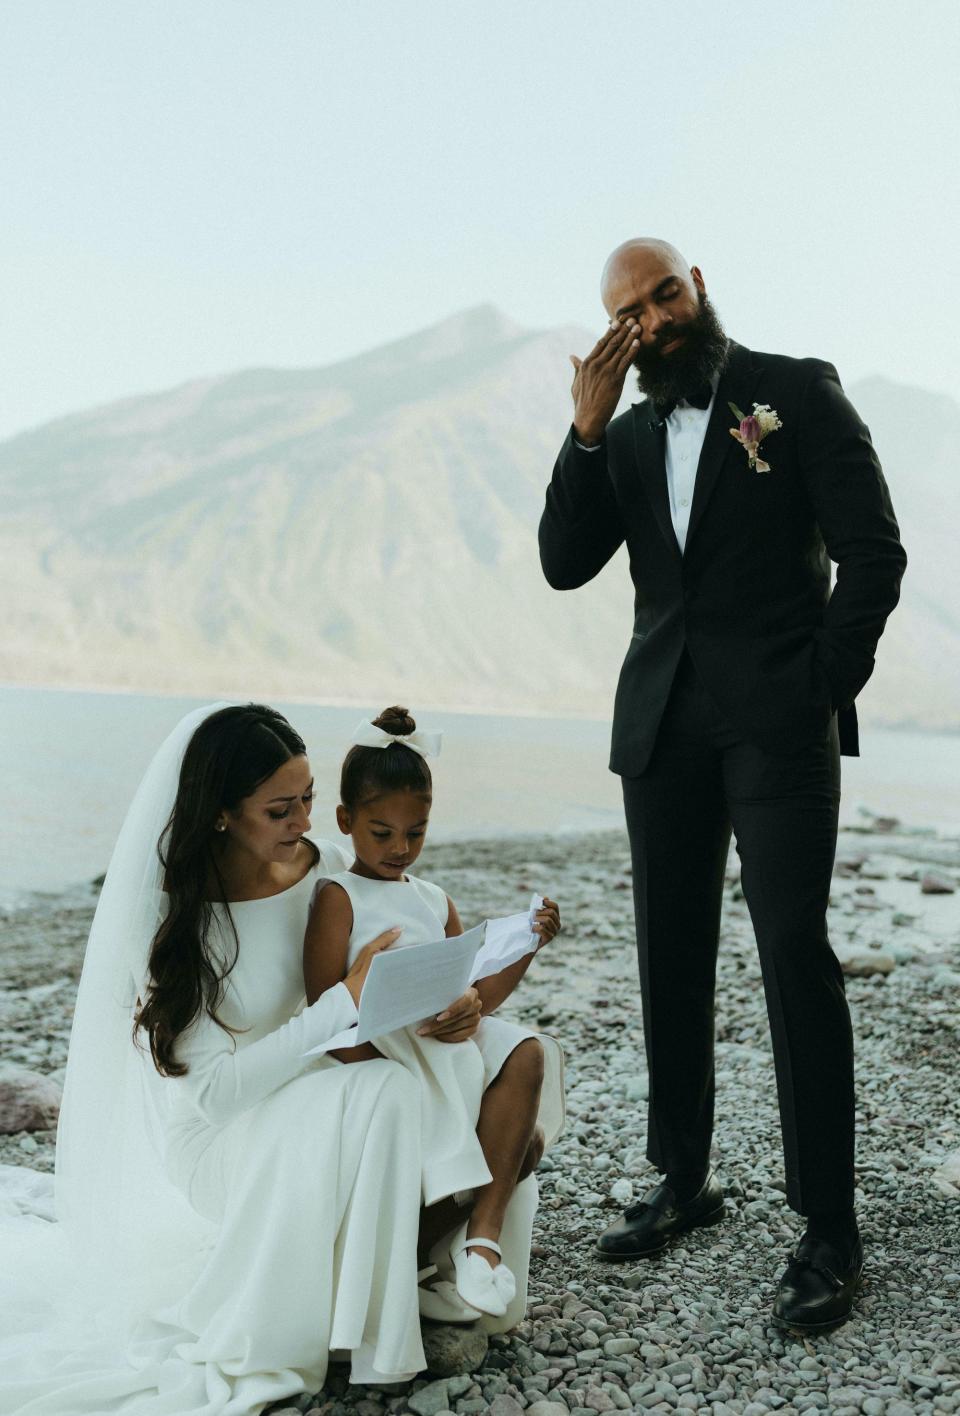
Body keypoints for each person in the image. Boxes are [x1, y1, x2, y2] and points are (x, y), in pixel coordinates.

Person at [538, 238, 907, 1331]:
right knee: (670, 947)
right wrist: (584, 430)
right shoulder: (632, 430)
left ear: (696, 287)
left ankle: (829, 1226)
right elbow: (564, 561)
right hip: (663, 724)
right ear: (620, 334)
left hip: (779, 726)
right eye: (633, 311)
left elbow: (874, 552)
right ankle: (683, 1175)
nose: (657, 316)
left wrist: (820, 685)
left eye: (667, 291)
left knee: (795, 951)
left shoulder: (795, 393)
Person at [0, 702, 496, 1413]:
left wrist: (460, 997)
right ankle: (365, 1325)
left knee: (503, 1058)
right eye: (280, 809)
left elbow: (399, 947)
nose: (303, 822)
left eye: (309, 800)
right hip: (225, 1136)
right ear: (224, 813)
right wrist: (341, 1006)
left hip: (322, 1081)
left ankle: (407, 1278)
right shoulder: (182, 923)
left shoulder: (322, 867)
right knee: (385, 1089)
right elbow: (216, 1095)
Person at [304, 705, 565, 1324]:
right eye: (381, 832)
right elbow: (322, 1004)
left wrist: (523, 950)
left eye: (415, 833)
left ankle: (481, 1241)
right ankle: (406, 1268)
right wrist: (369, 1061)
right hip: (377, 1053)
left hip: (441, 1047)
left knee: (527, 1052)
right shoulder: (339, 896)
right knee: (513, 1147)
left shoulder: (433, 899)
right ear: (345, 821)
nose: (399, 848)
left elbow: (476, 991)